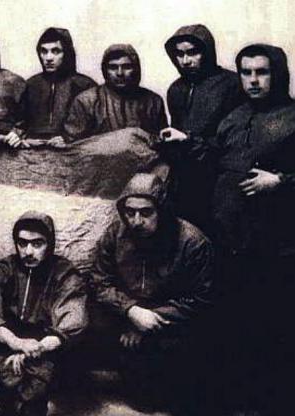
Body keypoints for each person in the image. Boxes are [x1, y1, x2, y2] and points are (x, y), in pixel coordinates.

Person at [208, 44, 295, 415]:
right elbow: (215, 156)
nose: (254, 81)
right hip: (231, 242)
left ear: (278, 74)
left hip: (276, 246)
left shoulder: (293, 117)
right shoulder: (234, 116)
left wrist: (281, 181)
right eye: (246, 73)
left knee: (274, 329)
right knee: (234, 326)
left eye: (262, 72)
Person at [89, 173, 213, 413]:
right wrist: (131, 311)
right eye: (130, 212)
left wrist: (149, 319)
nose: (136, 221)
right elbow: (98, 280)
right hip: (128, 313)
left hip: (169, 318)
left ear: (162, 211)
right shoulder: (115, 234)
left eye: (146, 212)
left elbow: (201, 298)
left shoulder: (193, 243)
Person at [0, 211, 88, 416]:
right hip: (5, 343)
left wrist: (35, 348)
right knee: (6, 378)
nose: (28, 251)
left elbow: (73, 319)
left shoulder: (64, 272)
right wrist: (16, 343)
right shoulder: (6, 268)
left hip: (45, 347)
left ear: (49, 244)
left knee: (36, 388)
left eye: (37, 244)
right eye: (22, 243)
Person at [157, 24, 244, 233]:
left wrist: (188, 139)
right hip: (185, 179)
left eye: (193, 52)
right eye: (179, 54)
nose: (185, 61)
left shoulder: (232, 84)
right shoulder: (176, 89)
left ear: (207, 51)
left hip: (220, 178)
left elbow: (235, 139)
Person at [64, 44, 166, 143]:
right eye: (113, 67)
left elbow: (162, 140)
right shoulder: (86, 101)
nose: (119, 73)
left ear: (136, 69)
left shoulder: (153, 101)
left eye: (126, 67)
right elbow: (73, 144)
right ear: (105, 70)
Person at [15, 28, 96, 149]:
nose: (48, 58)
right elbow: (20, 124)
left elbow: (94, 129)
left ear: (67, 54)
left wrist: (69, 139)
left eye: (55, 51)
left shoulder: (84, 85)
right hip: (33, 150)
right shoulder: (31, 85)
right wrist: (24, 138)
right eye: (44, 51)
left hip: (72, 151)